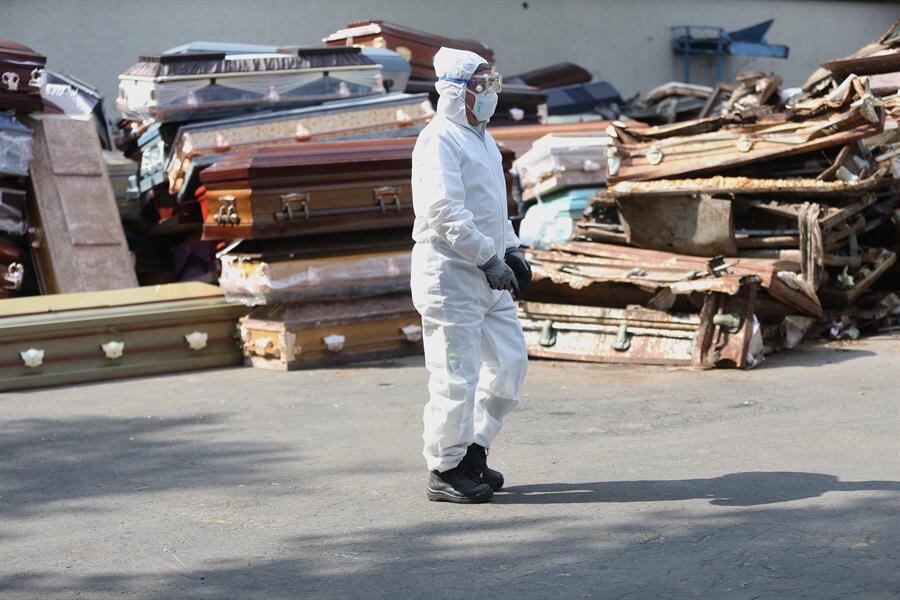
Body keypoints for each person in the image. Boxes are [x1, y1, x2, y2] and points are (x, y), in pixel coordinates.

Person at [410, 47, 531, 504]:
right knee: (455, 377)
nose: (488, 93)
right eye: (480, 85)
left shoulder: (481, 137)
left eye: (491, 83)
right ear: (455, 90)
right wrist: (488, 258)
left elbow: (492, 206)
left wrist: (512, 250)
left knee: (509, 364)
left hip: (487, 272)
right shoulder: (438, 139)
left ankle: (472, 450)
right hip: (451, 275)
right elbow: (444, 211)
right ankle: (444, 467)